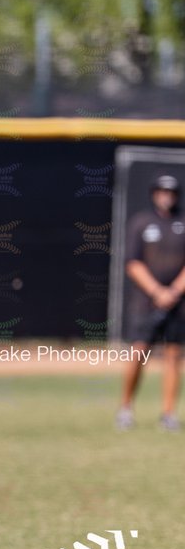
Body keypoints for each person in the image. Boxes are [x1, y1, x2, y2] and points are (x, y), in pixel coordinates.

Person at [117, 175, 185, 431]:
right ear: (154, 193)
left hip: (178, 302)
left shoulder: (182, 222)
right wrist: (157, 291)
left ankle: (168, 413)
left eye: (171, 191)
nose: (166, 195)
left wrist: (175, 291)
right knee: (139, 353)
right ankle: (125, 408)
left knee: (174, 355)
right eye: (162, 191)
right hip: (147, 301)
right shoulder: (141, 223)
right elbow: (133, 263)